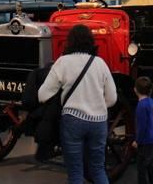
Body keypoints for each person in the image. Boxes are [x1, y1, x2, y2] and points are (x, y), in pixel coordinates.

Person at [39, 24, 117, 184]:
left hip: (73, 121)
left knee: (75, 173)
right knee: (98, 170)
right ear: (90, 41)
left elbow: (43, 95)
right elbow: (112, 98)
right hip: (99, 123)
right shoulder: (100, 63)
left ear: (70, 41)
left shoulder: (63, 62)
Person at [131, 77, 153, 184]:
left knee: (141, 169)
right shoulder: (148, 101)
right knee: (148, 165)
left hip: (145, 142)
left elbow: (142, 127)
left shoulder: (140, 106)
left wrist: (137, 141)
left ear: (135, 89)